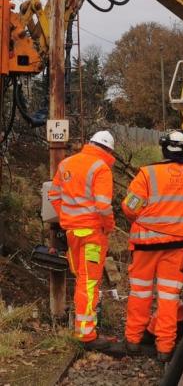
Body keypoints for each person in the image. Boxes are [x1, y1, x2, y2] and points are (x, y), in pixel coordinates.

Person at [122, 131, 183, 363]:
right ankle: (165, 348)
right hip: (177, 247)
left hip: (145, 246)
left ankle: (132, 341)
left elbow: (130, 207)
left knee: (140, 293)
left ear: (164, 149)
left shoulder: (147, 174)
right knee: (168, 297)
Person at [47, 130, 116, 350]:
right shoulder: (101, 168)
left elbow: (54, 195)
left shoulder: (66, 163)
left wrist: (68, 217)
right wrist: (109, 225)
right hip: (92, 235)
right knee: (89, 282)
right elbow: (103, 206)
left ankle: (83, 327)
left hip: (72, 234)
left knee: (81, 280)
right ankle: (86, 334)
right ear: (108, 150)